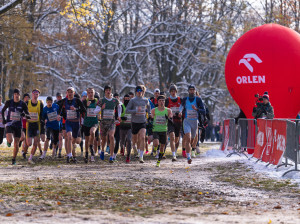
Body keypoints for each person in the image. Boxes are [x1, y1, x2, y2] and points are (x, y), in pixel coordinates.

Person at [1, 89, 30, 165]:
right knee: (10, 140)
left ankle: (13, 159)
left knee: (16, 144)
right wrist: (4, 119)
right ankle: (8, 140)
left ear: (20, 95)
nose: (16, 95)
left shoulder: (23, 104)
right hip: (9, 123)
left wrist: (24, 115)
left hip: (18, 125)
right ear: (13, 95)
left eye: (18, 94)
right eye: (15, 94)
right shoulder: (9, 102)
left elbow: (28, 116)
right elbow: (2, 111)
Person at [57, 87, 86, 163]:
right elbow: (59, 108)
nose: (70, 94)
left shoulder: (77, 100)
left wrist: (76, 109)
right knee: (69, 137)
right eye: (68, 92)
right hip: (68, 122)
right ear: (66, 93)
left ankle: (73, 154)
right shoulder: (64, 101)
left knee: (74, 141)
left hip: (76, 123)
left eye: (71, 92)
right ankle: (69, 155)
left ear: (74, 93)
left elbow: (84, 110)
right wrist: (59, 115)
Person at [180, 85, 205, 164]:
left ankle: (189, 151)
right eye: (190, 90)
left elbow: (203, 111)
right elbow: (181, 106)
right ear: (188, 91)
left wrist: (196, 109)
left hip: (194, 122)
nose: (191, 91)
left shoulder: (198, 99)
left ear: (195, 91)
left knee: (192, 140)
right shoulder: (185, 99)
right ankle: (188, 157)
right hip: (187, 121)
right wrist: (180, 112)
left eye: (193, 90)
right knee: (188, 138)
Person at [126, 85, 151, 163]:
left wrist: (149, 113)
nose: (139, 92)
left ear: (142, 92)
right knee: (135, 139)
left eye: (141, 91)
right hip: (134, 122)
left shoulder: (145, 100)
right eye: (138, 91)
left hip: (143, 122)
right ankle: (134, 147)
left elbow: (149, 107)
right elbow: (127, 110)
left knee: (142, 137)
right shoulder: (132, 100)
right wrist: (135, 110)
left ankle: (141, 156)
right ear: (136, 92)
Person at [98, 85, 121, 163]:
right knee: (103, 139)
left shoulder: (115, 100)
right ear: (104, 91)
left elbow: (119, 106)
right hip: (103, 123)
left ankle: (111, 157)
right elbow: (95, 111)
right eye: (107, 90)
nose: (108, 91)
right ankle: (102, 151)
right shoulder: (101, 100)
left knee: (111, 137)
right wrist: (101, 108)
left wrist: (119, 116)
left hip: (111, 122)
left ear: (111, 91)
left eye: (109, 90)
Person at [151, 95, 172, 167]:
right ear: (158, 101)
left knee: (162, 148)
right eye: (160, 100)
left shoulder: (168, 110)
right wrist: (150, 119)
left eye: (163, 100)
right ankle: (155, 148)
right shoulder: (154, 110)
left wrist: (169, 118)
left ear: (165, 101)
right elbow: (151, 117)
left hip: (164, 130)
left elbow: (171, 118)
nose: (162, 102)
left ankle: (158, 162)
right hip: (156, 130)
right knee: (156, 143)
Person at [82, 88, 100, 163]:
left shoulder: (97, 101)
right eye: (89, 92)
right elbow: (81, 110)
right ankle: (86, 153)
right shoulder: (84, 101)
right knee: (86, 140)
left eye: (91, 92)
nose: (90, 94)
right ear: (87, 94)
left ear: (94, 93)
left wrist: (100, 115)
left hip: (94, 122)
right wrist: (86, 106)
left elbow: (100, 109)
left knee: (92, 132)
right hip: (86, 122)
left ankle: (91, 148)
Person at [26, 89, 44, 164]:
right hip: (29, 124)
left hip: (37, 124)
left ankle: (30, 158)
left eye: (37, 94)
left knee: (36, 142)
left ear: (38, 95)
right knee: (29, 143)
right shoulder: (27, 103)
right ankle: (25, 150)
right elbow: (23, 111)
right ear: (32, 94)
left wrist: (43, 127)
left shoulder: (40, 104)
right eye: (34, 94)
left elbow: (42, 116)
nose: (35, 95)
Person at [165, 84, 182, 161]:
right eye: (171, 91)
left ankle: (175, 150)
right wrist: (169, 115)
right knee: (172, 136)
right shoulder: (167, 100)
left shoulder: (180, 100)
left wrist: (180, 114)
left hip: (178, 122)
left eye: (174, 91)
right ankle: (173, 155)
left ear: (176, 91)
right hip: (171, 121)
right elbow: (164, 111)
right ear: (170, 92)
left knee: (176, 139)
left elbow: (183, 109)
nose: (173, 92)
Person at [120, 94, 132, 163]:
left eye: (128, 99)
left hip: (130, 127)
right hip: (122, 126)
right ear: (123, 99)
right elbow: (117, 115)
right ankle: (122, 147)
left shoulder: (131, 107)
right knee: (122, 141)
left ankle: (128, 156)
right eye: (125, 99)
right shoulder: (121, 106)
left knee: (129, 140)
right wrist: (121, 118)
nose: (127, 100)